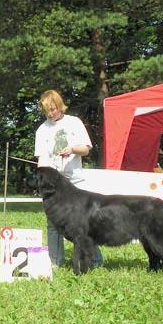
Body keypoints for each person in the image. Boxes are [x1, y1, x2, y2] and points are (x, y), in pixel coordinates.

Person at [34, 89, 102, 268]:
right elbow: (42, 159)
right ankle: (55, 261)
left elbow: (86, 149)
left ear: (59, 105)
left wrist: (72, 149)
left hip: (74, 181)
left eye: (53, 109)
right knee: (53, 222)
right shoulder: (42, 130)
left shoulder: (74, 122)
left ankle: (95, 260)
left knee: (82, 224)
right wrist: (41, 178)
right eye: (47, 110)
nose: (50, 113)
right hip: (52, 186)